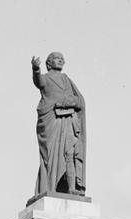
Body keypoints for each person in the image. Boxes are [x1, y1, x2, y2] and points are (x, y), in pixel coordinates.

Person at [31, 52, 86, 196]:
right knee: (51, 156)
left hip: (67, 120)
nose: (61, 60)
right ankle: (49, 188)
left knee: (70, 153)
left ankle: (71, 188)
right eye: (57, 58)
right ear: (49, 63)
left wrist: (68, 102)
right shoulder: (46, 78)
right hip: (51, 121)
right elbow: (38, 81)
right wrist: (36, 69)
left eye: (62, 59)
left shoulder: (66, 79)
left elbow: (79, 100)